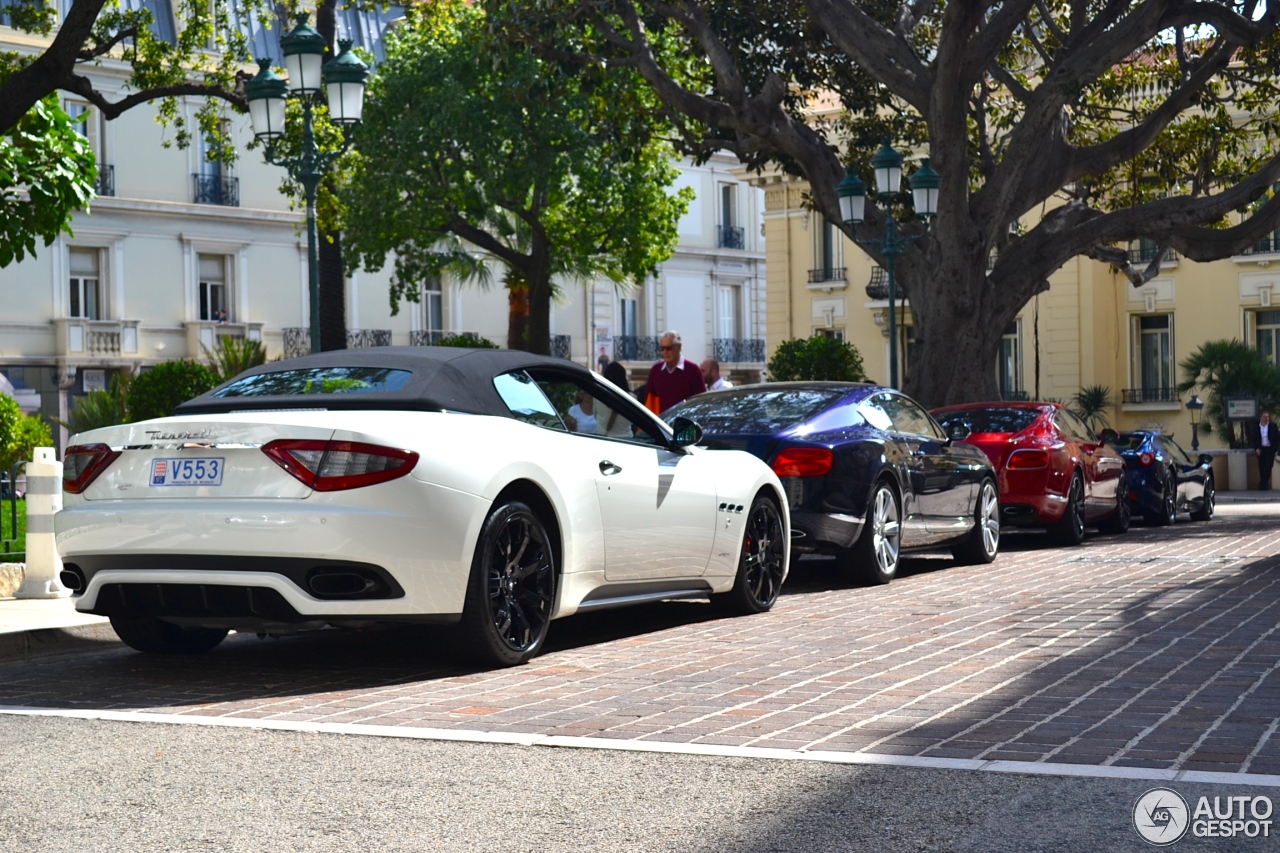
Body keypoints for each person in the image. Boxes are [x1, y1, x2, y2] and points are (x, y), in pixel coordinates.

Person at [644, 330, 706, 414]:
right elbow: (650, 402)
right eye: (662, 349)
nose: (665, 352)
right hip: (662, 423)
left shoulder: (693, 370)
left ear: (679, 347)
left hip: (685, 422)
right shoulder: (656, 370)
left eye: (669, 348)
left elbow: (701, 402)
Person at [595, 361, 634, 438]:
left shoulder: (597, 396)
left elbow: (595, 414)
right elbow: (632, 421)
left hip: (603, 438)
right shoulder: (631, 398)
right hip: (626, 439)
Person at [1255, 410, 1280, 490]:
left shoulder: (1273, 426)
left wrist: (1275, 448)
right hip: (1261, 449)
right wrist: (1257, 448)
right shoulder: (1257, 427)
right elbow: (1254, 439)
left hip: (1270, 449)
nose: (1267, 418)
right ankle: (1264, 484)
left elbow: (1277, 438)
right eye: (1265, 417)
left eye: (1268, 417)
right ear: (1261, 417)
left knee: (1269, 466)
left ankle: (1263, 483)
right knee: (1261, 467)